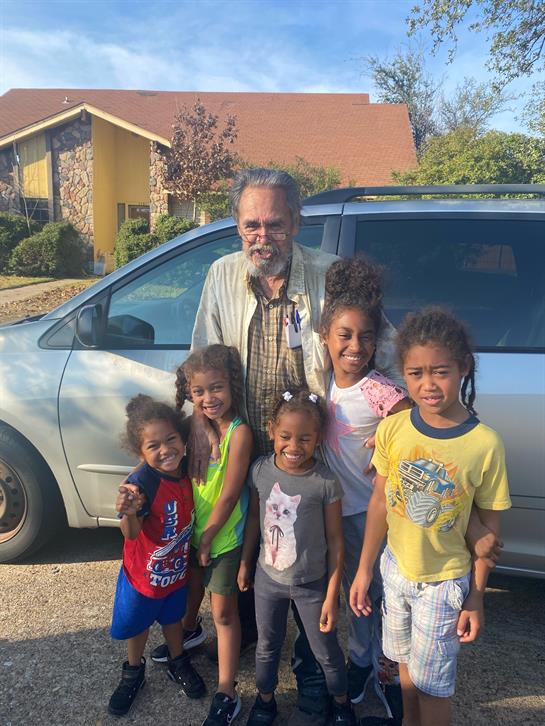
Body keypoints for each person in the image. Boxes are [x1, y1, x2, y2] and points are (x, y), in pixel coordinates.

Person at [190, 167, 399, 725]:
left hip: (312, 461)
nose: (263, 237)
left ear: (297, 223)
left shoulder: (328, 276)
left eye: (275, 225)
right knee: (255, 556)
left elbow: (385, 344)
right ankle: (255, 644)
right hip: (247, 455)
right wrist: (203, 436)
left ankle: (310, 666)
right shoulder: (220, 275)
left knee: (310, 564)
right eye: (251, 225)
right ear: (237, 226)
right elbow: (202, 358)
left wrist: (394, 410)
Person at [350, 308, 511, 726]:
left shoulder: (484, 444)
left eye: (439, 371)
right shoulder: (393, 429)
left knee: (433, 686)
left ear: (463, 368)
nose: (428, 385)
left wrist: (476, 596)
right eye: (415, 373)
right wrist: (365, 570)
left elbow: (489, 532)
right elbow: (381, 503)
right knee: (404, 670)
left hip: (444, 584)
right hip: (396, 571)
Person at [320, 258, 410, 720]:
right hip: (339, 514)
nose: (356, 346)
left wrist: (391, 434)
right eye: (345, 335)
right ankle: (361, 660)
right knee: (357, 594)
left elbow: (410, 415)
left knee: (381, 594)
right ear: (325, 337)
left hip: (373, 514)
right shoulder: (321, 384)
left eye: (367, 337)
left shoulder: (377, 388)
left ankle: (384, 670)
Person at [238, 388, 357, 726]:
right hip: (267, 581)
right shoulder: (261, 471)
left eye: (304, 438)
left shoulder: (324, 482)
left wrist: (333, 596)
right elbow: (253, 520)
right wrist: (247, 561)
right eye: (286, 436)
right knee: (267, 646)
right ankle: (265, 701)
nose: (294, 446)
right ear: (272, 430)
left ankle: (342, 703)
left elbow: (336, 541)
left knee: (327, 653)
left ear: (319, 439)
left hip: (312, 586)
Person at [151, 345, 253, 725]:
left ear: (232, 387)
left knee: (224, 614)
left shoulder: (239, 435)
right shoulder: (194, 427)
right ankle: (190, 634)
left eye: (217, 388)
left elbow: (229, 493)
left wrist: (209, 537)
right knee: (190, 594)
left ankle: (228, 689)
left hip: (222, 540)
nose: (209, 398)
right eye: (199, 392)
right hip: (191, 534)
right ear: (190, 394)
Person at [108, 394, 205, 717]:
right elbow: (132, 533)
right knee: (138, 626)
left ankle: (178, 661)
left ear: (183, 437)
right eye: (153, 446)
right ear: (140, 452)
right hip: (143, 578)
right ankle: (133, 671)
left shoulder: (186, 471)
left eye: (171, 439)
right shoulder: (142, 483)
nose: (165, 450)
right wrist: (130, 512)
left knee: (172, 619)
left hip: (175, 574)